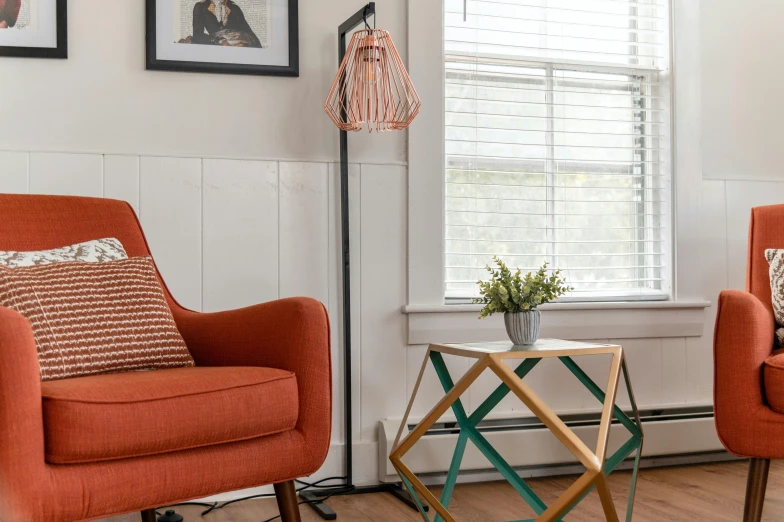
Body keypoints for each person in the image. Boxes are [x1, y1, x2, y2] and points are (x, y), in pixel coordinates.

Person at [192, 0, 261, 48]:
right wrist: (220, 41)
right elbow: (197, 35)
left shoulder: (234, 8)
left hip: (238, 48)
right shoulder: (201, 7)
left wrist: (243, 45)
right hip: (217, 46)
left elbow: (250, 33)